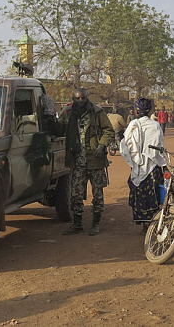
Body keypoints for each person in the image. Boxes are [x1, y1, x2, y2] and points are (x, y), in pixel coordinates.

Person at [58, 88, 115, 236]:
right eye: (77, 99)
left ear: (87, 98)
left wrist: (102, 145)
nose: (80, 101)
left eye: (83, 98)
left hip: (95, 160)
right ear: (73, 99)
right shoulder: (69, 113)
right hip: (77, 161)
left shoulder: (96, 112)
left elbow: (109, 130)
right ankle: (77, 224)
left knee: (97, 195)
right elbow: (58, 127)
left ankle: (96, 223)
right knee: (75, 194)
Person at [120, 97, 167, 233]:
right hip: (153, 166)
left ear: (136, 110)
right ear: (150, 110)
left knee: (139, 194)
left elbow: (125, 146)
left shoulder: (132, 125)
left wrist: (135, 160)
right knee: (154, 194)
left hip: (137, 167)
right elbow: (159, 148)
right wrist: (163, 165)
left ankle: (144, 224)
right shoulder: (155, 126)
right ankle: (152, 223)